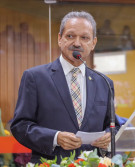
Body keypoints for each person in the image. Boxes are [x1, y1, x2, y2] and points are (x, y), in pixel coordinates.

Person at [10, 11, 120, 164]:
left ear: (93, 43)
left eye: (84, 38)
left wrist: (110, 134)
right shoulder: (35, 77)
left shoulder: (104, 82)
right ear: (59, 39)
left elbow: (112, 124)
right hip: (49, 163)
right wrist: (55, 138)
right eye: (70, 36)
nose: (77, 43)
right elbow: (20, 126)